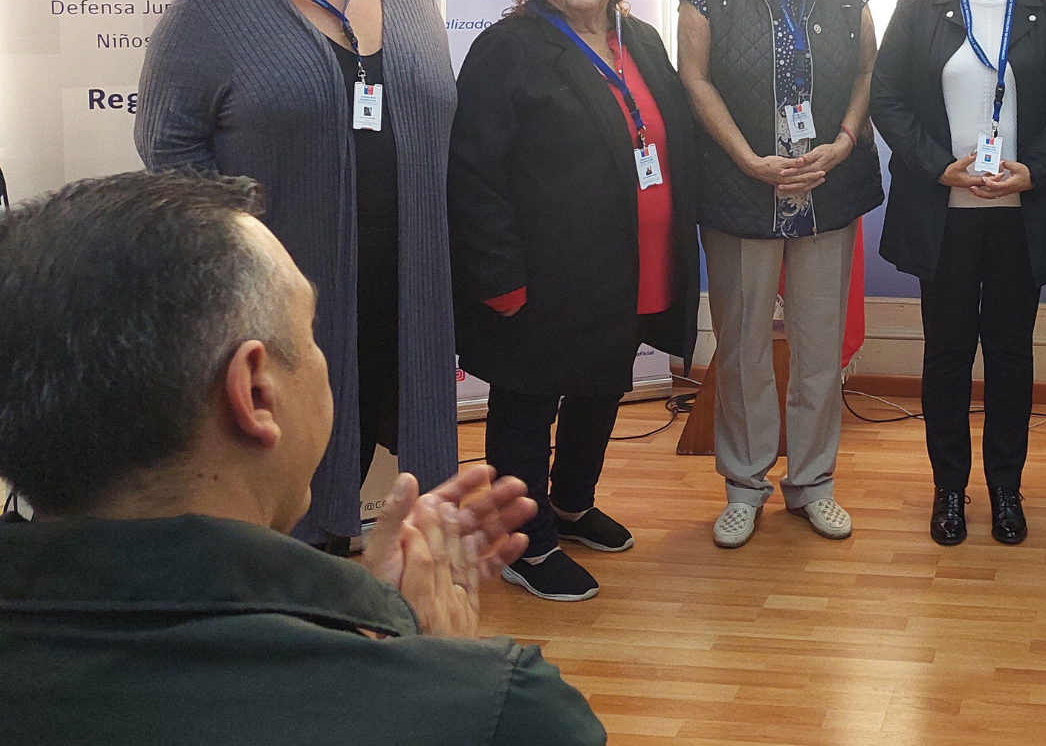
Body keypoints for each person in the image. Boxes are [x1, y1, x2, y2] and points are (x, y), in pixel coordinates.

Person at [0, 170, 604, 745]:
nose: (324, 359)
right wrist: (436, 677)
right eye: (313, 334)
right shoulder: (504, 713)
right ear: (256, 392)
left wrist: (376, 624)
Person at [136, 0, 457, 550]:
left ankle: (397, 561)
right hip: (283, 278)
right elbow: (169, 145)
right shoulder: (213, 6)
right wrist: (239, 243)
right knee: (290, 440)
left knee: (397, 413)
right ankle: (302, 571)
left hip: (408, 270)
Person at [448, 0, 701, 601]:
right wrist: (497, 277)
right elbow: (473, 171)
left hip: (628, 264)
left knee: (602, 381)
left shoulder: (641, 41)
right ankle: (521, 544)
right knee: (528, 403)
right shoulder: (509, 48)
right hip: (540, 273)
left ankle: (571, 504)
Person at [870, 0, 1046, 545]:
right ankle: (949, 491)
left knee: (1010, 355)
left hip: (1020, 216)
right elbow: (888, 100)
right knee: (945, 356)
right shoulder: (918, 4)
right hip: (944, 215)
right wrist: (941, 167)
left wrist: (1034, 171)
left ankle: (1006, 490)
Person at [677, 0, 883, 548]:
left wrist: (848, 139)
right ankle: (743, 485)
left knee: (820, 347)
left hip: (827, 183)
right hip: (742, 185)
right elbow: (694, 77)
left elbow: (865, 68)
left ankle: (813, 483)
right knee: (741, 347)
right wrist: (747, 159)